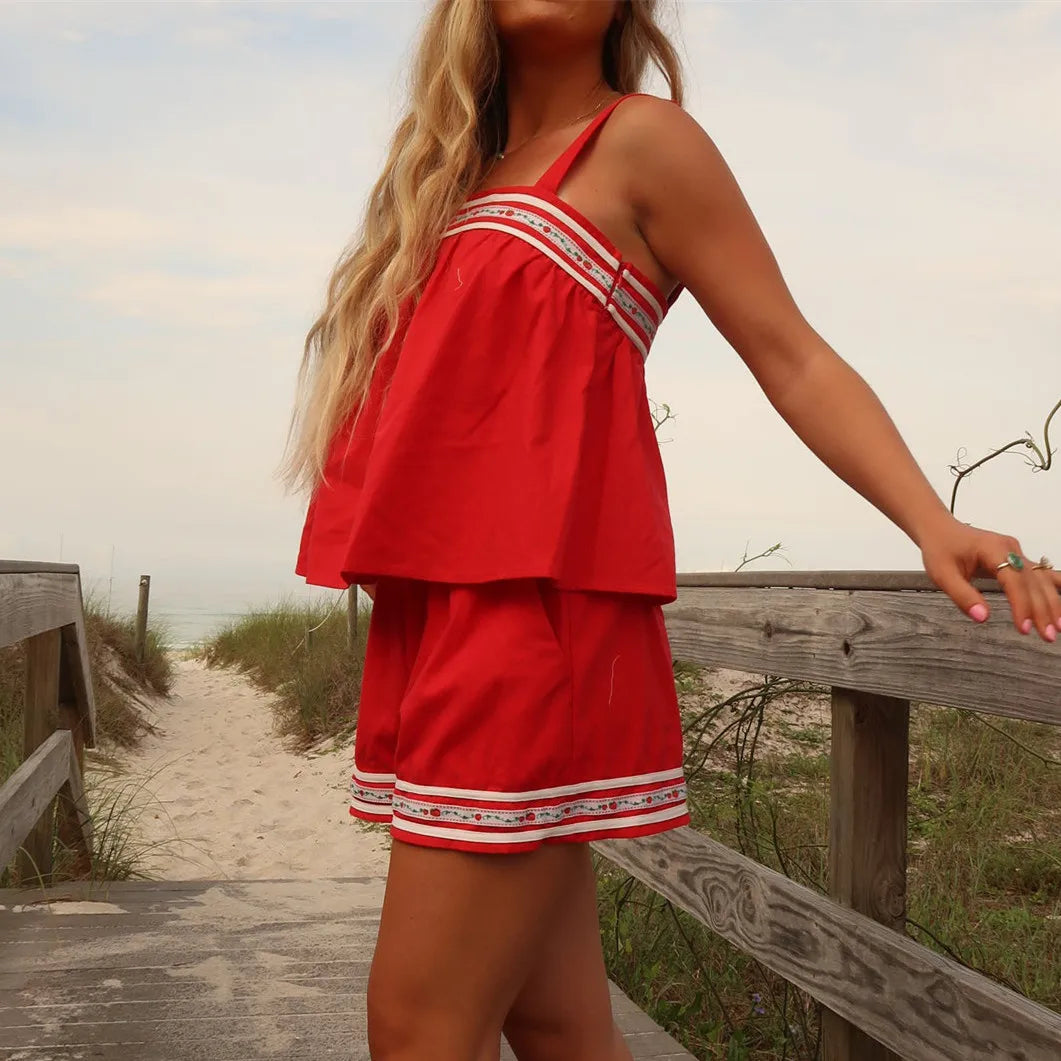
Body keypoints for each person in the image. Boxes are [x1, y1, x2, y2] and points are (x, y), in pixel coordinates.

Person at [285, 3, 1060, 1058]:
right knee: (555, 1020)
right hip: (447, 618)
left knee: (417, 1024)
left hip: (526, 635)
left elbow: (791, 354)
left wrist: (929, 517)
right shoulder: (452, 183)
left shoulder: (641, 143)